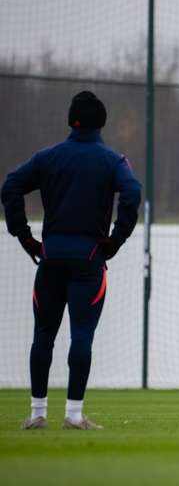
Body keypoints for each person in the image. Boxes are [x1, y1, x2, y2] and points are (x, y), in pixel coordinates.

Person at [1, 91, 142, 430]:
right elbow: (132, 192)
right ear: (102, 122)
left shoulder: (48, 157)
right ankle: (74, 416)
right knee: (81, 336)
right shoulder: (113, 161)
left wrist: (23, 235)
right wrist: (117, 239)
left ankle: (37, 414)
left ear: (70, 120)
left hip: (50, 258)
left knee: (43, 335)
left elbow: (10, 186)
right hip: (89, 259)